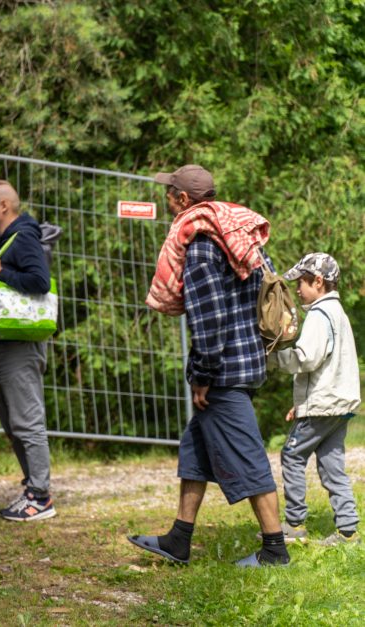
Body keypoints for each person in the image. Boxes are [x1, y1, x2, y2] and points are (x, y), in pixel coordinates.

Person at [128, 164, 290, 567]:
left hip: (223, 372)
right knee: (195, 453)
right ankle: (178, 540)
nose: (166, 199)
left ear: (184, 200)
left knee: (248, 457)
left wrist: (201, 376)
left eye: (170, 193)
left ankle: (275, 550)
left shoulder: (201, 246)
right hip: (245, 360)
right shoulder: (238, 235)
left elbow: (210, 320)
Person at [0, 180, 56, 522]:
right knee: (12, 420)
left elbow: (40, 281)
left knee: (27, 420)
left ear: (4, 206)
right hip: (4, 342)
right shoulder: (6, 240)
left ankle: (41, 496)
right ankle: (32, 489)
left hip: (20, 343)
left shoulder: (24, 236)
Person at [269, 253, 361, 545]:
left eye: (302, 282)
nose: (297, 289)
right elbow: (330, 365)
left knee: (292, 456)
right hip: (340, 404)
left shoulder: (319, 315)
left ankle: (295, 525)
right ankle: (348, 530)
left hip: (323, 405)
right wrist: (302, 404)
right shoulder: (339, 313)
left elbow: (306, 359)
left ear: (318, 281)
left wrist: (270, 358)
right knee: (332, 464)